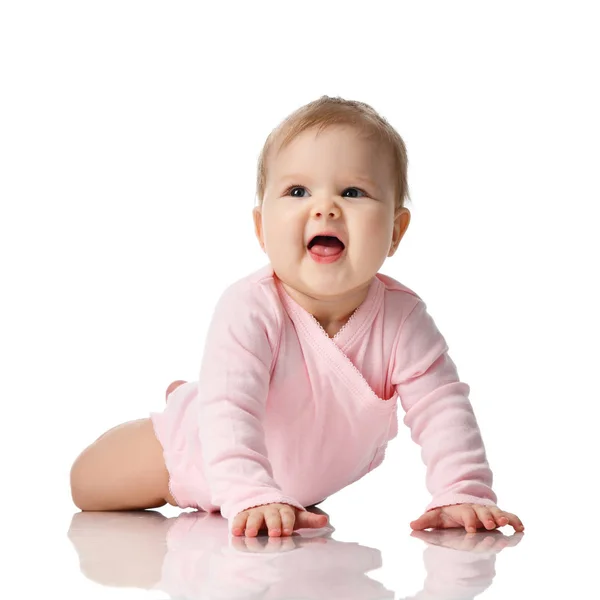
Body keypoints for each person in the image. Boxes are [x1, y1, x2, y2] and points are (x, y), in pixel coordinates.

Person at [70, 95, 525, 539]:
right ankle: (187, 403)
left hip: (290, 485)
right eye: (297, 191)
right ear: (261, 228)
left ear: (395, 231)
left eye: (353, 192)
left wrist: (461, 491)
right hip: (199, 451)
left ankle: (220, 424)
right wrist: (251, 495)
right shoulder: (250, 306)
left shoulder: (403, 320)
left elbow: (442, 407)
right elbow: (231, 409)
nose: (325, 207)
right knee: (88, 483)